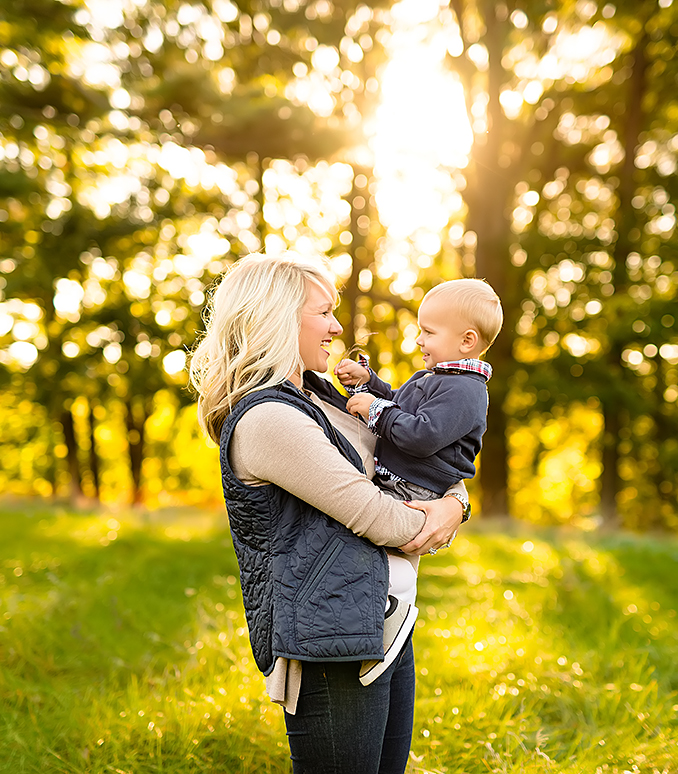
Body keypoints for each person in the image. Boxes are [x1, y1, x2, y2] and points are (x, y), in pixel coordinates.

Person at [188, 252, 467, 774]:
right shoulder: (269, 418)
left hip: (381, 621)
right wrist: (444, 517)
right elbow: (378, 517)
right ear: (276, 315)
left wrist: (455, 500)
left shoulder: (320, 396)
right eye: (323, 313)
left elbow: (419, 457)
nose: (337, 328)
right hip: (330, 643)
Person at [334, 278, 501, 684]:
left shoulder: (466, 390)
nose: (418, 339)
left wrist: (375, 410)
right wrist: (369, 384)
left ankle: (388, 621)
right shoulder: (435, 378)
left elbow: (421, 435)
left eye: (428, 331)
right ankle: (377, 618)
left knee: (388, 559)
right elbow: (399, 403)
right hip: (397, 478)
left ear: (466, 341)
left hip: (414, 488)